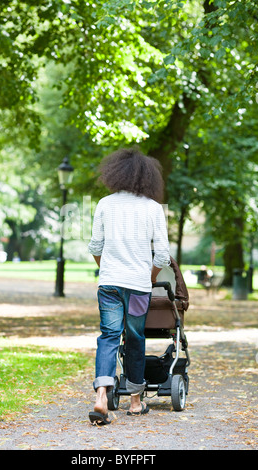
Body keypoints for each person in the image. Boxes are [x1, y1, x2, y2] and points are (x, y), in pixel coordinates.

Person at [88, 147, 170, 425]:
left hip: (109, 284)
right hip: (138, 286)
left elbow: (95, 246)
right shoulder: (153, 209)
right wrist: (150, 276)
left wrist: (106, 269)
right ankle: (135, 402)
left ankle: (101, 397)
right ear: (148, 178)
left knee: (109, 337)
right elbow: (161, 255)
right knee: (135, 338)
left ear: (115, 174)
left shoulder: (104, 204)